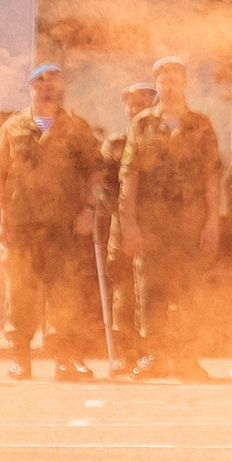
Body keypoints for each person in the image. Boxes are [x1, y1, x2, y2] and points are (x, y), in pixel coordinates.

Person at [0, 62, 104, 381]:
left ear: (60, 87)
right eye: (39, 82)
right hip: (20, 226)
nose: (47, 87)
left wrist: (89, 210)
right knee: (19, 291)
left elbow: (94, 172)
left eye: (53, 82)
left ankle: (65, 359)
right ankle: (20, 359)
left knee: (65, 293)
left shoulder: (76, 127)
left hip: (63, 226)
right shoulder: (12, 127)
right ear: (30, 88)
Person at [118, 58, 223, 380]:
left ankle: (188, 358)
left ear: (185, 83)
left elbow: (211, 177)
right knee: (151, 291)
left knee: (191, 292)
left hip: (191, 224)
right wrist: (130, 224)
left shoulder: (201, 124)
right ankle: (154, 356)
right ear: (158, 85)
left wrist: (212, 223)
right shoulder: (142, 125)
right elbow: (130, 176)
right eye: (163, 80)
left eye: (175, 79)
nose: (169, 85)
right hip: (152, 226)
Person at [97, 82, 158, 370]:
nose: (136, 108)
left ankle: (155, 353)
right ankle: (127, 354)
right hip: (123, 228)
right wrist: (124, 216)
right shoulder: (115, 144)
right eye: (131, 104)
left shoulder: (165, 138)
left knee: (155, 290)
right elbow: (105, 187)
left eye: (142, 103)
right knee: (124, 290)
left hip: (160, 226)